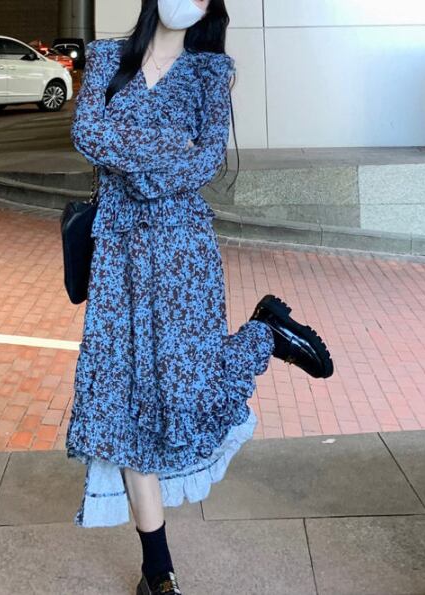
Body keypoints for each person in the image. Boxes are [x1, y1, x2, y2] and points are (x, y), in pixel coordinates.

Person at [66, 0, 334, 593]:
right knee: (119, 401)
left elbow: (206, 161)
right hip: (118, 256)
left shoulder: (211, 73)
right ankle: (157, 570)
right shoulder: (107, 57)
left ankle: (264, 334)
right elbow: (86, 133)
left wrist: (128, 157)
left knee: (187, 392)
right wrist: (166, 152)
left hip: (183, 252)